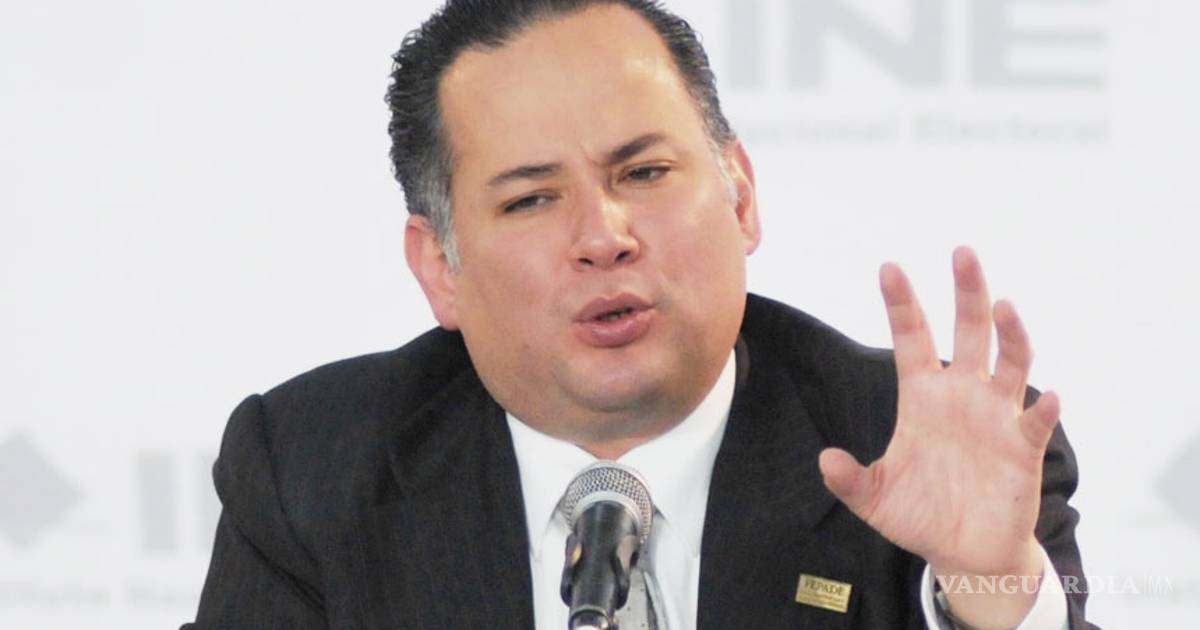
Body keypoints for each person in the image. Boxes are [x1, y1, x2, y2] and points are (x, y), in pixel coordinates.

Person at [184, 1, 1096, 628]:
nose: (603, 237)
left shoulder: (917, 446)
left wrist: (992, 592)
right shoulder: (310, 472)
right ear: (440, 268)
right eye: (531, 200)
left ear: (741, 198)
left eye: (646, 173)